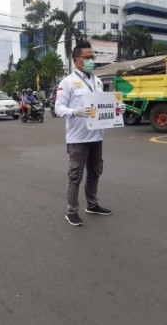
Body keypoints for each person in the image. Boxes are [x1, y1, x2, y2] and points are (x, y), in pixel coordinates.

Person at [55, 40, 124, 226]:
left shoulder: (98, 81)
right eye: (88, 57)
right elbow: (58, 108)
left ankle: (92, 204)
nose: (91, 60)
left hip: (96, 136)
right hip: (78, 138)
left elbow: (103, 105)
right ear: (77, 59)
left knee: (95, 172)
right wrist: (74, 112)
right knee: (75, 176)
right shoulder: (68, 82)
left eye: (93, 57)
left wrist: (118, 109)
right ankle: (72, 211)